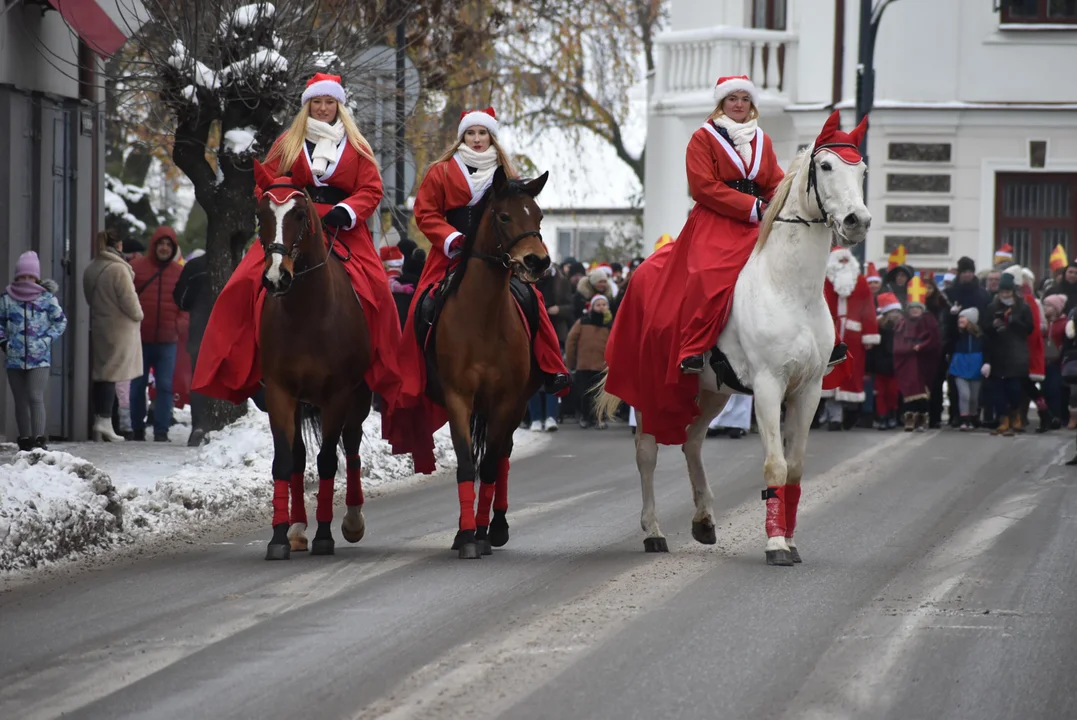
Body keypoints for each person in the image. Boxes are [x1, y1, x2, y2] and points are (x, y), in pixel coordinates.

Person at [603, 75, 845, 445]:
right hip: (715, 221)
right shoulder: (703, 137)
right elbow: (703, 187)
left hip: (756, 221)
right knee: (705, 274)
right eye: (731, 98)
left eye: (744, 99)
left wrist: (783, 203)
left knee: (790, 269)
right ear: (721, 103)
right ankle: (695, 349)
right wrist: (753, 207)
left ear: (751, 104)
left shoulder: (761, 138)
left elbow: (774, 181)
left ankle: (820, 345)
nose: (738, 104)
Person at [193, 73, 405, 417]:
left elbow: (372, 189)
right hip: (290, 226)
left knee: (379, 291)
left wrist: (347, 211)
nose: (323, 109)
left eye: (329, 102)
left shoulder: (357, 145)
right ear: (308, 106)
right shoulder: (287, 142)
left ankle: (381, 371)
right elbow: (265, 185)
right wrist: (279, 206)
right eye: (317, 102)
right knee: (244, 283)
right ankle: (244, 365)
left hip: (342, 228)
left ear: (339, 106)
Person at [384, 106, 570, 473]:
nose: (477, 138)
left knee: (531, 297)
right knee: (425, 303)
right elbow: (425, 212)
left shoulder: (508, 175)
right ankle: (418, 371)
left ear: (491, 137)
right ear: (463, 136)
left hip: (499, 256)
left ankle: (550, 366)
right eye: (471, 133)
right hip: (451, 254)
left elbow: (519, 213)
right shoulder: (441, 171)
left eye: (483, 133)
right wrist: (450, 238)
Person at [0, 251, 67, 450]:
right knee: (20, 400)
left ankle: (39, 439)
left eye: (30, 276)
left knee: (35, 396)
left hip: (39, 359)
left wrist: (46, 340)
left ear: (36, 278)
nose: (26, 280)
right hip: (14, 359)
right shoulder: (6, 299)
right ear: (16, 276)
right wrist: (4, 343)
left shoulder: (46, 299)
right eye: (22, 276)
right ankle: (25, 439)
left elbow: (60, 321)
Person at [83, 230, 144, 442]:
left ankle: (101, 422)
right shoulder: (118, 269)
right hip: (120, 329)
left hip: (100, 325)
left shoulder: (92, 268)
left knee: (102, 373)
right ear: (118, 246)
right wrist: (139, 314)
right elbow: (130, 300)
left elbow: (89, 298)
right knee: (111, 375)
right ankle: (105, 421)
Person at [130, 226, 186, 441]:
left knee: (165, 386)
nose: (164, 248)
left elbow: (185, 303)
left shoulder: (179, 273)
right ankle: (137, 429)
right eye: (161, 244)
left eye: (168, 245)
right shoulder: (137, 268)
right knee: (137, 386)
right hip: (139, 338)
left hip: (167, 340)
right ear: (154, 245)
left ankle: (161, 430)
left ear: (173, 248)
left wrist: (178, 323)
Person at [982, 272, 1033, 436]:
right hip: (998, 352)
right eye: (1002, 292)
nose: (1004, 295)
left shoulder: (1023, 307)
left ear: (1013, 291)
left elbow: (1029, 329)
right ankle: (1003, 419)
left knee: (1014, 388)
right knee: (998, 389)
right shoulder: (992, 306)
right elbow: (985, 329)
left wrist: (1013, 321)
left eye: (1007, 292)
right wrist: (994, 325)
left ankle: (1016, 415)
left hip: (1016, 352)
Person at [173, 248, 211, 446]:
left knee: (199, 378)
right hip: (230, 331)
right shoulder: (238, 266)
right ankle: (223, 424)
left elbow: (180, 299)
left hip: (200, 330)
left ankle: (200, 425)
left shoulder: (194, 267)